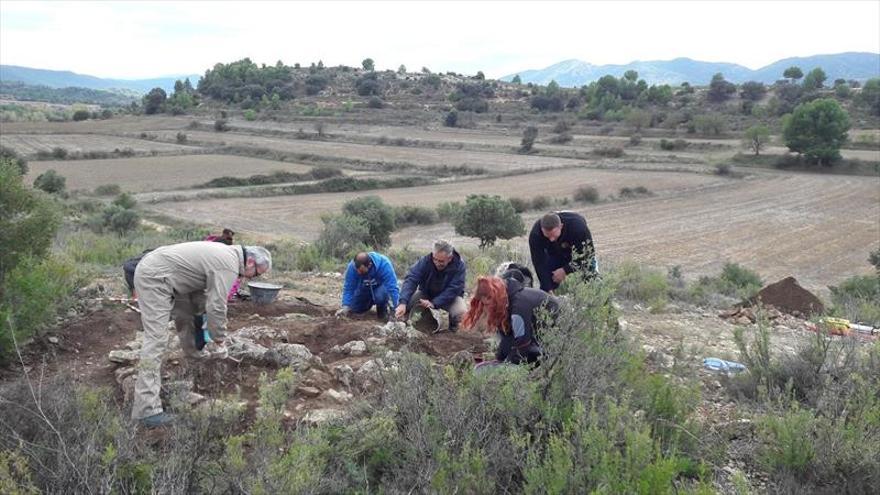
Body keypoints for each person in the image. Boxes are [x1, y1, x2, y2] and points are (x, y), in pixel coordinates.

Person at [131, 242, 271, 427]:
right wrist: (220, 339)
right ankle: (146, 411)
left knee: (191, 313)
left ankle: (196, 358)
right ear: (250, 262)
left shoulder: (229, 256)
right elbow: (217, 306)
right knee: (156, 340)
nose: (254, 277)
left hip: (171, 273)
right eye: (258, 273)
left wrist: (205, 329)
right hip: (155, 277)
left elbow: (204, 302)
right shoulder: (228, 264)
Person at [462, 272, 559, 364]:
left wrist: (505, 367)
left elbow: (522, 344)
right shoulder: (507, 303)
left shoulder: (518, 306)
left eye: (487, 304)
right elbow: (507, 339)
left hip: (559, 335)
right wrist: (499, 359)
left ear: (495, 297)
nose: (486, 308)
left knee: (529, 353)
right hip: (540, 335)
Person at [394, 239, 467, 332]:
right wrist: (402, 302)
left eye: (441, 261)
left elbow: (454, 288)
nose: (436, 263)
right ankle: (406, 324)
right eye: (434, 259)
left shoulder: (459, 265)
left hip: (450, 298)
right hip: (426, 294)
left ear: (450, 258)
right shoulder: (425, 261)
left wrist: (434, 303)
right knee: (407, 303)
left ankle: (453, 330)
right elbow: (411, 279)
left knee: (460, 313)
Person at [528, 211, 597, 293]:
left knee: (591, 279)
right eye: (547, 236)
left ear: (561, 226)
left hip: (578, 252)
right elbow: (539, 263)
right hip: (555, 254)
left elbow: (587, 256)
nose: (551, 239)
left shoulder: (578, 228)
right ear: (542, 230)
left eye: (553, 235)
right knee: (547, 279)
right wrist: (548, 288)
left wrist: (565, 270)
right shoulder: (536, 234)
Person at [336, 251, 400, 320]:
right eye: (356, 270)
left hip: (380, 289)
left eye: (361, 271)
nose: (358, 273)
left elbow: (393, 287)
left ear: (369, 265)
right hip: (364, 289)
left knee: (380, 296)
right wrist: (346, 306)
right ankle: (366, 305)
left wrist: (397, 308)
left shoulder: (384, 264)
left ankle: (382, 312)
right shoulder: (352, 267)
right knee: (355, 308)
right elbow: (349, 287)